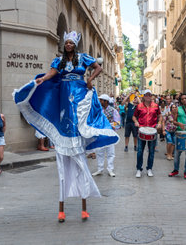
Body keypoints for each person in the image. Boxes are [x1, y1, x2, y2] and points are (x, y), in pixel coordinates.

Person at [13, 30, 119, 222]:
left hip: (79, 94)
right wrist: (42, 79)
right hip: (64, 98)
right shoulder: (60, 61)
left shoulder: (82, 58)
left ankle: (84, 207)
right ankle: (61, 208)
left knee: (80, 153)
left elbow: (98, 67)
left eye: (71, 42)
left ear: (75, 44)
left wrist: (90, 79)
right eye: (66, 43)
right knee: (63, 161)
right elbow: (52, 72)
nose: (68, 45)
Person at [132, 89, 162, 178]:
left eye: (149, 95)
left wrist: (159, 123)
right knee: (140, 151)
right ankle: (138, 169)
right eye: (146, 95)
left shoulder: (156, 106)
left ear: (151, 96)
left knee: (151, 151)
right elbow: (134, 116)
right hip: (142, 130)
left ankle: (149, 168)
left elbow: (160, 116)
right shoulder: (139, 106)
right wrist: (136, 122)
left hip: (152, 131)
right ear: (143, 96)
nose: (148, 96)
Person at [168, 93, 186, 179]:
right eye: (182, 99)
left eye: (185, 98)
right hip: (180, 133)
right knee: (177, 154)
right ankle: (176, 170)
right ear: (180, 101)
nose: (184, 100)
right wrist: (178, 123)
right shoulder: (177, 109)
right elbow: (174, 121)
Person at [92, 94, 120, 177]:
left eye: (101, 100)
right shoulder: (98, 110)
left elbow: (118, 123)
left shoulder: (113, 110)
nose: (99, 102)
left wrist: (111, 125)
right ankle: (100, 169)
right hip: (100, 135)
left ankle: (110, 169)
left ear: (106, 101)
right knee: (100, 152)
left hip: (110, 135)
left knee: (110, 153)